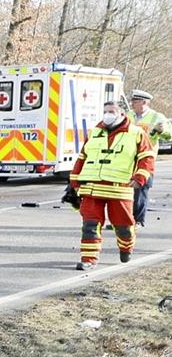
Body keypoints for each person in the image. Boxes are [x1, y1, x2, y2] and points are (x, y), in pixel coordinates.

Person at [69, 100, 155, 270]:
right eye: (106, 111)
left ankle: (126, 247)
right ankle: (88, 259)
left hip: (119, 189)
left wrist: (140, 177)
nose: (108, 114)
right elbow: (83, 157)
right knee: (90, 225)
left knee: (123, 226)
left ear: (122, 114)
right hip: (92, 186)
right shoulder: (94, 132)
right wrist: (75, 179)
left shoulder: (136, 133)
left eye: (112, 111)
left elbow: (147, 157)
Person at [126, 89, 169, 227]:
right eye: (132, 101)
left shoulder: (157, 117)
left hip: (145, 159)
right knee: (125, 190)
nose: (132, 103)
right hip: (127, 158)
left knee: (141, 190)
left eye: (135, 101)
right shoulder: (128, 115)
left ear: (144, 102)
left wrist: (162, 130)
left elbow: (169, 136)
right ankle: (124, 220)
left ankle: (137, 220)